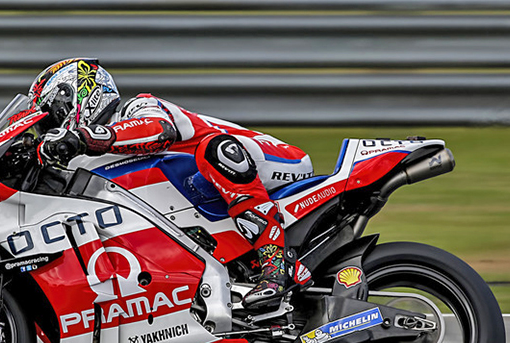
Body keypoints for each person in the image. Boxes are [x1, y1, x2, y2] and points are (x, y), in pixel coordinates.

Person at [29, 58, 312, 309]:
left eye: (50, 116)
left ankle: (277, 267)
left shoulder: (137, 108)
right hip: (209, 189)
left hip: (271, 159)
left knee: (216, 150)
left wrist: (83, 137)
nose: (48, 129)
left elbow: (158, 131)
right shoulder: (92, 160)